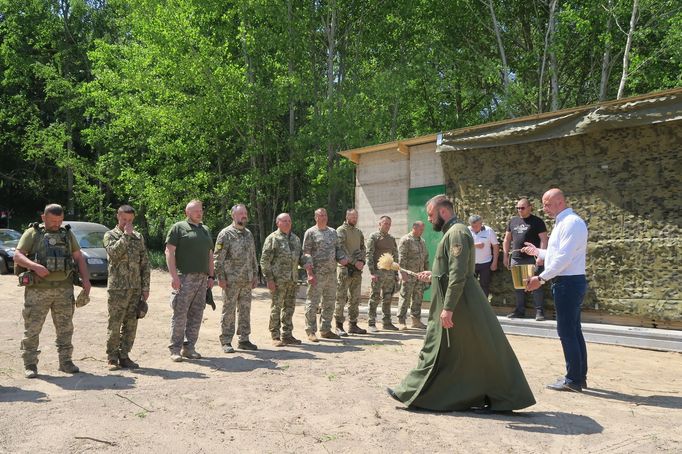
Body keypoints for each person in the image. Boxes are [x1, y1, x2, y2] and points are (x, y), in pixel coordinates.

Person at [388, 195, 535, 412]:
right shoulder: (455, 231)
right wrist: (435, 273)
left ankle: (411, 392)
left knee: (436, 347)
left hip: (459, 303)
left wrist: (448, 309)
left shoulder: (456, 232)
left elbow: (458, 274)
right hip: (460, 301)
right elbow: (452, 269)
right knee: (461, 351)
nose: (429, 220)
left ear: (443, 212)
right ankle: (422, 394)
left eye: (430, 214)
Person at [13, 204, 92, 378]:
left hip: (64, 289)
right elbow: (18, 255)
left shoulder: (67, 233)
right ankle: (30, 364)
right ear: (44, 218)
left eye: (59, 220)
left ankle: (65, 362)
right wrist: (35, 266)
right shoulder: (33, 233)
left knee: (65, 328)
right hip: (37, 290)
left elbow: (78, 257)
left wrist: (86, 280)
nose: (56, 224)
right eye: (52, 221)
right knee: (32, 329)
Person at [523, 188, 589, 393]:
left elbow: (564, 259)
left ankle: (574, 380)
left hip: (568, 282)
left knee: (567, 331)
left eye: (548, 204)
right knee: (573, 330)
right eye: (544, 204)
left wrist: (541, 278)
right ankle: (578, 376)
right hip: (567, 282)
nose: (545, 209)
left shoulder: (571, 223)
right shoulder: (565, 223)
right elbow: (557, 254)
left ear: (560, 202)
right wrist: (538, 252)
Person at [165, 199, 215, 362]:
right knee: (180, 313)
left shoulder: (205, 230)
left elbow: (210, 255)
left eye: (200, 210)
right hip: (184, 277)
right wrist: (174, 276)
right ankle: (175, 349)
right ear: (187, 212)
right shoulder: (179, 228)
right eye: (195, 211)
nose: (199, 213)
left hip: (202, 278)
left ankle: (190, 347)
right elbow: (169, 252)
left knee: (196, 314)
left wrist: (211, 276)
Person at [103, 205, 151, 370]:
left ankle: (124, 356)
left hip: (135, 288)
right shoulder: (110, 235)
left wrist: (145, 287)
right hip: (117, 289)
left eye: (130, 220)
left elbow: (144, 263)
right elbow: (114, 254)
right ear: (118, 216)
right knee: (115, 323)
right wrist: (125, 235)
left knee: (131, 324)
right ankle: (112, 357)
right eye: (124, 219)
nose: (127, 223)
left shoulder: (139, 237)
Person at [214, 204, 259, 353]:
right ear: (233, 216)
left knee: (245, 310)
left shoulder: (248, 234)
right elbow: (217, 259)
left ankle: (244, 340)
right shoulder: (225, 234)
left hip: (246, 280)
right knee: (229, 311)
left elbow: (253, 256)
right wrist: (220, 278)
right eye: (241, 214)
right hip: (230, 281)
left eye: (245, 213)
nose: (244, 216)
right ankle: (226, 340)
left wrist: (255, 275)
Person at [302, 208, 348, 342]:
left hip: (331, 274)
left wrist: (342, 258)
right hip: (316, 275)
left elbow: (337, 249)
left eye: (325, 215)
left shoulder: (333, 232)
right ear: (316, 217)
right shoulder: (311, 232)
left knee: (329, 302)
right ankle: (310, 331)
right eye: (321, 215)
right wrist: (309, 273)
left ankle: (326, 329)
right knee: (313, 302)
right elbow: (306, 253)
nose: (323, 217)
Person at [260, 213, 306, 346]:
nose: (287, 223)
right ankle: (275, 335)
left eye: (289, 221)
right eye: (284, 221)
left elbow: (300, 257)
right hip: (277, 281)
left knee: (289, 308)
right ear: (277, 223)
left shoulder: (295, 239)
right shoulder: (273, 239)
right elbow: (264, 260)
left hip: (292, 280)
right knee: (276, 307)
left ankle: (287, 335)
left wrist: (307, 262)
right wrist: (269, 279)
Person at [503, 198, 548, 320]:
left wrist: (541, 256)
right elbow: (507, 240)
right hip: (517, 258)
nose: (519, 210)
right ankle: (519, 310)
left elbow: (544, 239)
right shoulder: (513, 221)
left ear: (530, 207)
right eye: (517, 208)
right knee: (518, 286)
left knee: (536, 284)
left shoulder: (537, 221)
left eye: (522, 208)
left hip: (532, 258)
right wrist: (506, 255)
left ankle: (539, 312)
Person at [334, 208, 367, 336]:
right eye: (352, 217)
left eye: (356, 217)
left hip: (357, 270)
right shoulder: (341, 231)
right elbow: (340, 249)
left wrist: (362, 261)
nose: (354, 219)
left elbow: (363, 248)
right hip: (345, 270)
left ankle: (353, 324)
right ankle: (338, 326)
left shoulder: (358, 232)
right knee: (341, 298)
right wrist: (354, 262)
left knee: (355, 298)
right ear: (347, 216)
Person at [366, 216, 400, 332]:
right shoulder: (374, 237)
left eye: (389, 224)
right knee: (375, 297)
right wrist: (372, 272)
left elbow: (395, 256)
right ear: (379, 224)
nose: (387, 226)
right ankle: (371, 323)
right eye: (385, 223)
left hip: (390, 274)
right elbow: (369, 254)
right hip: (378, 273)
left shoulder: (391, 239)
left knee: (388, 298)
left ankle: (387, 322)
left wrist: (396, 274)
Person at [396, 221, 429, 330]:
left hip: (420, 275)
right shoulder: (406, 240)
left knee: (418, 298)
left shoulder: (422, 241)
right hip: (408, 275)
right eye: (420, 229)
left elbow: (426, 258)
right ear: (414, 228)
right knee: (405, 297)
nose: (422, 231)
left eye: (423, 230)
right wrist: (402, 273)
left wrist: (426, 272)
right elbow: (401, 258)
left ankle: (416, 320)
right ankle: (401, 320)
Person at [468, 215, 499, 298]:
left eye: (476, 226)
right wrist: (475, 245)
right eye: (472, 226)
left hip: (485, 263)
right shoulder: (467, 230)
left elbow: (495, 247)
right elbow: (462, 245)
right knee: (470, 285)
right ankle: (472, 305)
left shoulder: (489, 231)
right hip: (471, 263)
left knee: (484, 285)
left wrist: (494, 262)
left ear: (481, 223)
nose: (474, 228)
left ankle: (484, 307)